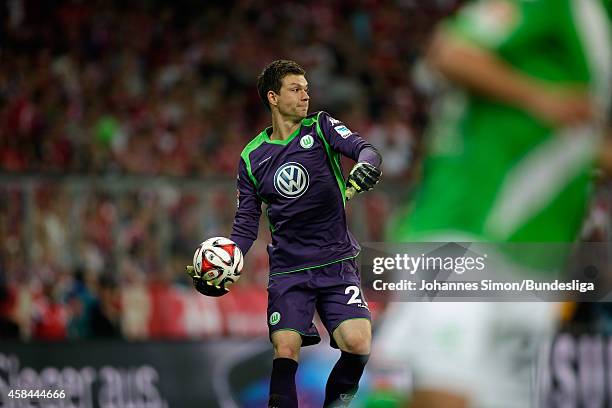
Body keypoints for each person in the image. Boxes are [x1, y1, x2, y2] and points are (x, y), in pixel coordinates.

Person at [374, 0, 611, 407]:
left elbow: (580, 140)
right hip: (465, 226)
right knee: (445, 388)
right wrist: (543, 99)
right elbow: (450, 52)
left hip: (534, 254)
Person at [188, 59, 382, 407]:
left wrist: (367, 164)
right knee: (285, 348)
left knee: (358, 344)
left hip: (337, 263)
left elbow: (365, 149)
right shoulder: (252, 157)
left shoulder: (321, 128)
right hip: (289, 271)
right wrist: (225, 262)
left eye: (306, 88)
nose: (305, 95)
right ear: (273, 98)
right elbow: (246, 224)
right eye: (296, 89)